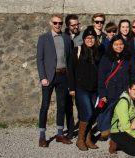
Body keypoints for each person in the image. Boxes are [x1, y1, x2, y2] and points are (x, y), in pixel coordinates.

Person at [36, 14, 73, 147]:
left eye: (60, 23)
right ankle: (42, 136)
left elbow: (69, 60)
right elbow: (39, 59)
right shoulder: (43, 38)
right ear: (50, 23)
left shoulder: (67, 39)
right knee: (45, 106)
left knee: (62, 105)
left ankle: (59, 134)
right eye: (55, 23)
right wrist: (43, 77)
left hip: (63, 76)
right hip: (49, 77)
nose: (58, 25)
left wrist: (70, 79)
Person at [67, 28, 101, 151]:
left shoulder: (98, 52)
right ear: (84, 39)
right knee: (87, 113)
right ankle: (80, 140)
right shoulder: (78, 50)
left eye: (92, 38)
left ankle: (88, 139)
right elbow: (70, 70)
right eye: (87, 38)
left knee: (91, 114)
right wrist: (71, 87)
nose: (90, 40)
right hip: (81, 88)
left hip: (94, 89)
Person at [97, 35, 134, 141]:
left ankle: (120, 131)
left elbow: (133, 75)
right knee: (108, 111)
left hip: (124, 89)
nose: (119, 46)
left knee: (123, 111)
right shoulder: (106, 58)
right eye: (116, 44)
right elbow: (101, 77)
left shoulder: (128, 57)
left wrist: (131, 89)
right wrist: (102, 94)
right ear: (112, 45)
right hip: (110, 90)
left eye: (121, 44)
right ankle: (105, 130)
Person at [109, 81, 135, 156]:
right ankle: (115, 143)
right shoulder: (123, 102)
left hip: (130, 127)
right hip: (119, 131)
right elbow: (125, 126)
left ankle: (131, 141)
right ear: (129, 90)